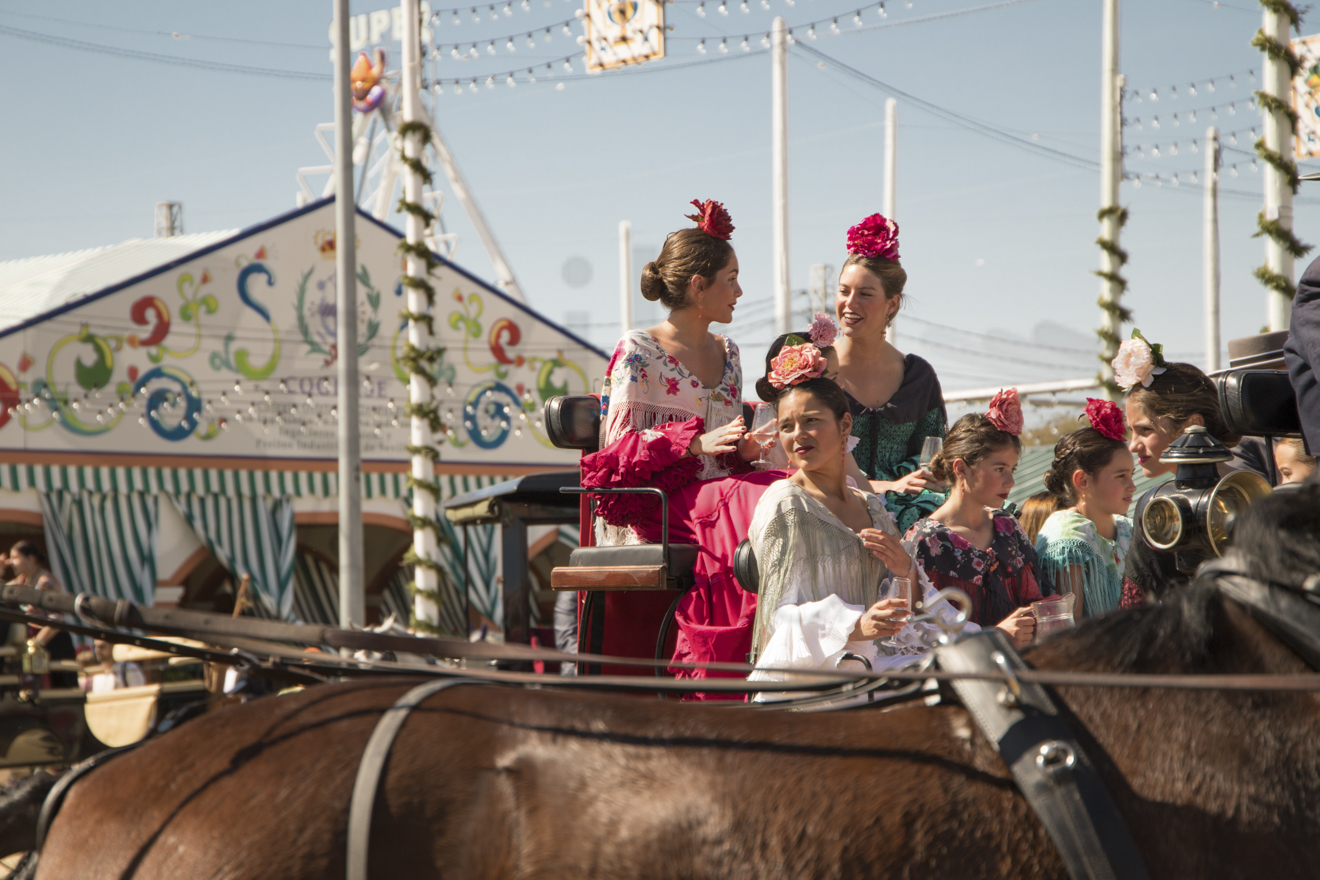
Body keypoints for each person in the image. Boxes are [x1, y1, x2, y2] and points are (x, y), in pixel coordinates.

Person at [746, 371, 956, 696]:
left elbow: (905, 607)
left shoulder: (870, 507)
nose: (798, 435)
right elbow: (777, 616)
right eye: (787, 426)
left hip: (879, 664)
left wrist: (905, 570)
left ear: (845, 425)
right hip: (818, 682)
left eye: (811, 420)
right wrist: (855, 627)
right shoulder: (785, 504)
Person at [581, 198, 757, 545]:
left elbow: (725, 456)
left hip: (724, 500)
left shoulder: (729, 353)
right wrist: (691, 445)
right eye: (732, 279)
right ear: (698, 286)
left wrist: (745, 452)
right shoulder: (640, 351)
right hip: (659, 512)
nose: (739, 291)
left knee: (791, 492)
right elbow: (619, 457)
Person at [765, 213, 947, 535]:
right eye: (843, 290)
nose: (849, 303)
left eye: (865, 293)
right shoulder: (814, 365)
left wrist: (930, 478)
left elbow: (935, 457)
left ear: (892, 304)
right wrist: (890, 487)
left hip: (914, 512)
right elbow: (793, 455)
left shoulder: (919, 377)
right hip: (829, 506)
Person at [1113, 330, 1264, 602]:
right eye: (1131, 431)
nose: (1133, 445)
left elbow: (1136, 609)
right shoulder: (1256, 489)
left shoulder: (1156, 502)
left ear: (1192, 424)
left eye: (1144, 430)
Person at [903, 389, 1050, 649]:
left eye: (1012, 469)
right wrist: (996, 636)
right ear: (961, 468)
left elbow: (1035, 599)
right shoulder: (925, 541)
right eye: (999, 469)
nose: (1011, 481)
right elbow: (920, 636)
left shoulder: (1009, 527)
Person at [1034, 399, 1136, 618]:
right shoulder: (1068, 541)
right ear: (1082, 481)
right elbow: (1073, 629)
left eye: (1131, 475)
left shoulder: (1130, 529)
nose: (1132, 486)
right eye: (1121, 476)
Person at [10, 541, 77, 688]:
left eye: (15, 557)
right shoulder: (22, 581)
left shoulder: (46, 581)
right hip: (35, 641)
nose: (11, 562)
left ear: (30, 559)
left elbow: (56, 618)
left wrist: (37, 643)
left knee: (60, 687)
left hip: (53, 641)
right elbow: (5, 591)